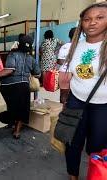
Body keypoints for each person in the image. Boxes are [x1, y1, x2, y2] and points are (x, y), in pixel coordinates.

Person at [58, 2, 107, 180]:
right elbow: (65, 72)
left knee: (98, 148)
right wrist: (64, 96)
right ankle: (73, 177)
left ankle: (96, 175)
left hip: (103, 107)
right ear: (81, 23)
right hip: (76, 101)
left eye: (99, 17)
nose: (92, 22)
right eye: (87, 19)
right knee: (71, 143)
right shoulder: (75, 46)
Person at [0, 35, 41, 139]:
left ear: (19, 44)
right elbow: (38, 74)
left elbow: (9, 70)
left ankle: (10, 122)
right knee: (22, 109)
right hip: (24, 87)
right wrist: (27, 74)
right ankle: (17, 131)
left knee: (8, 106)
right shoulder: (31, 59)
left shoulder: (13, 54)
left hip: (9, 86)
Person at [58, 27, 76, 103]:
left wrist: (67, 60)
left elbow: (60, 61)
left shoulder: (64, 46)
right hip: (75, 73)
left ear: (69, 36)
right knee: (75, 96)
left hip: (64, 72)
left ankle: (62, 112)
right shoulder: (80, 47)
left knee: (63, 94)